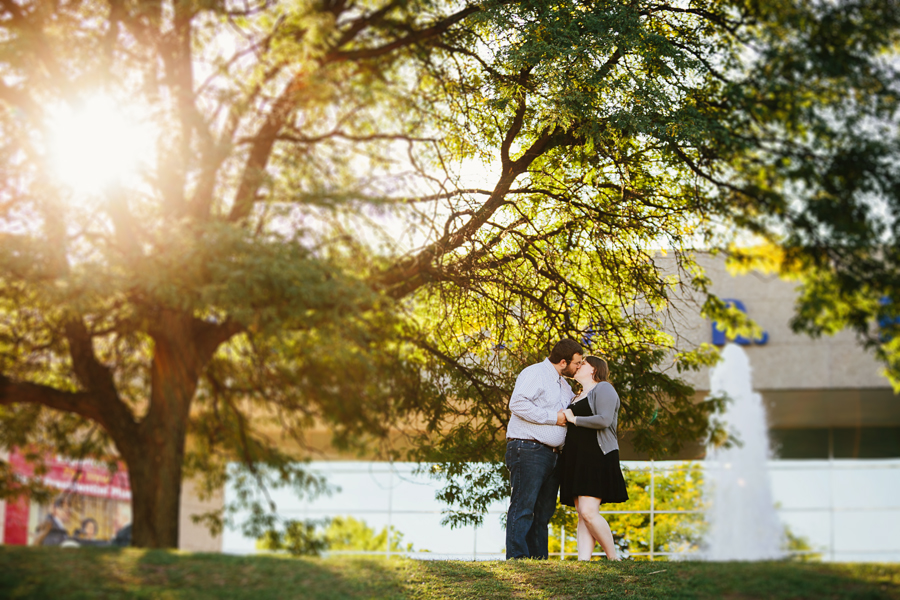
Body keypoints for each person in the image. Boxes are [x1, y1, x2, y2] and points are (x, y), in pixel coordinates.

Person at [505, 338, 584, 560]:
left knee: (542, 514)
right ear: (562, 362)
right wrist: (553, 418)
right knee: (523, 507)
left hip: (552, 456)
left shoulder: (563, 384)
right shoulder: (535, 373)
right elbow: (518, 404)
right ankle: (517, 559)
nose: (578, 367)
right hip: (528, 449)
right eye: (577, 363)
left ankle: (538, 562)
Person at [559, 355, 629, 561]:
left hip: (596, 455)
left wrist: (574, 418)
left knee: (589, 512)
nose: (578, 366)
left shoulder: (604, 388)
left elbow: (605, 420)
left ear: (594, 369)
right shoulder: (576, 396)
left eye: (583, 364)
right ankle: (583, 561)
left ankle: (613, 558)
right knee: (582, 514)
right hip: (576, 457)